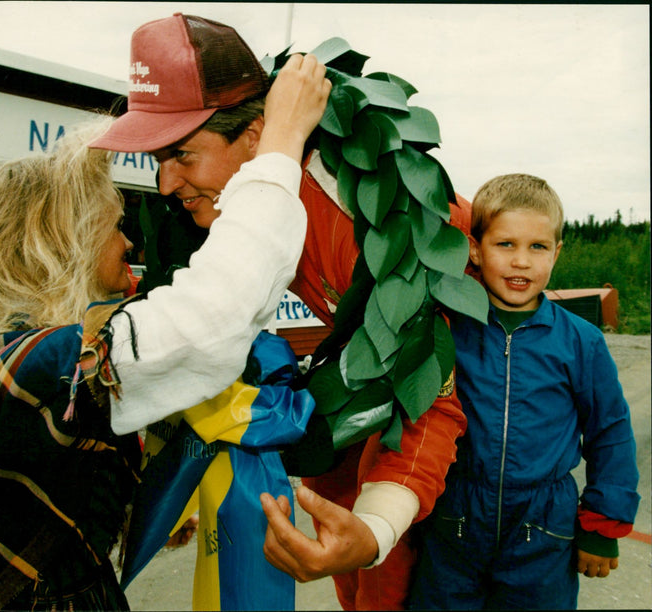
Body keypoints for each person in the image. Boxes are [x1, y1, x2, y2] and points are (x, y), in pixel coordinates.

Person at [0, 52, 330, 611]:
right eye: (114, 225)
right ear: (64, 244)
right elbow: (211, 317)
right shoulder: (31, 364)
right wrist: (280, 142)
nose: (129, 244)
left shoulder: (15, 354)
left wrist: (121, 516)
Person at [90, 13, 468, 610]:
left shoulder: (355, 216)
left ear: (259, 134)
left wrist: (375, 527)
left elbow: (432, 392)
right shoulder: (218, 224)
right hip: (341, 460)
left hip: (454, 480)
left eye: (183, 155)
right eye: (159, 160)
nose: (166, 185)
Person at [408, 173, 640, 610]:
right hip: (454, 519)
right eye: (505, 244)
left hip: (543, 527)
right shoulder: (446, 329)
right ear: (475, 249)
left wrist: (604, 524)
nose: (521, 261)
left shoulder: (581, 341)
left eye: (537, 247)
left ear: (557, 251)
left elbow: (610, 432)